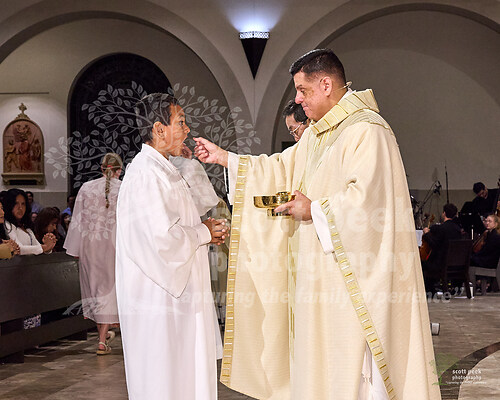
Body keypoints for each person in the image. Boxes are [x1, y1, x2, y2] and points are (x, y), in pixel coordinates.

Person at [195, 49, 440, 399]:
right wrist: (226, 159)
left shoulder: (367, 131)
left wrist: (316, 210)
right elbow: (280, 168)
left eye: (303, 90)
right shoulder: (317, 134)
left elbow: (370, 201)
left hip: (351, 284)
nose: (297, 99)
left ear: (326, 85)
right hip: (317, 281)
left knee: (354, 373)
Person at [115, 93, 228, 399]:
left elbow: (190, 212)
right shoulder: (145, 175)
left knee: (184, 377)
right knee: (164, 380)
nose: (187, 129)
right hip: (160, 302)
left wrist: (205, 231)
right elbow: (160, 241)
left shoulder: (164, 169)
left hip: (178, 298)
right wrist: (203, 233)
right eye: (180, 122)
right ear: (159, 129)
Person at [64, 153, 123, 355]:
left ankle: (102, 337)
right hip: (114, 246)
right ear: (119, 170)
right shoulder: (123, 188)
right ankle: (102, 339)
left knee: (96, 291)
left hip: (90, 246)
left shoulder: (86, 188)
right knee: (108, 291)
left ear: (101, 168)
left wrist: (75, 248)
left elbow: (77, 221)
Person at [421, 203, 463, 292]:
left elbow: (434, 245)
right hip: (456, 264)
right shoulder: (458, 229)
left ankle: (429, 290)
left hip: (442, 264)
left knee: (421, 263)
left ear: (444, 213)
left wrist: (427, 234)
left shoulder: (442, 228)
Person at [3, 188, 56, 255]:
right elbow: (18, 249)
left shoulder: (25, 225)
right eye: (16, 203)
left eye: (23, 204)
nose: (20, 208)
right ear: (9, 205)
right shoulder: (7, 224)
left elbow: (37, 247)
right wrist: (45, 247)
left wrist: (50, 244)